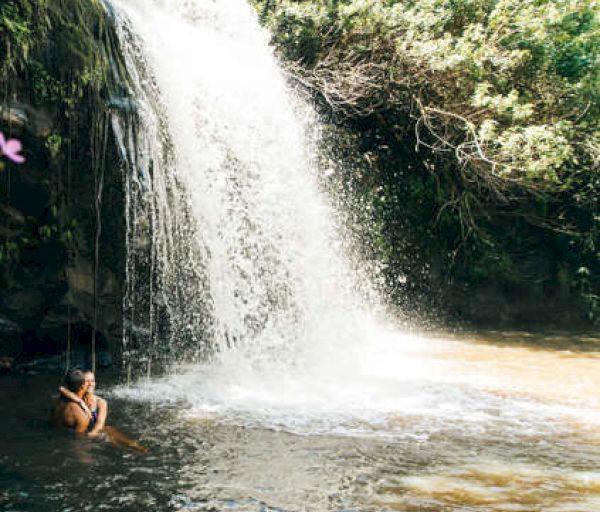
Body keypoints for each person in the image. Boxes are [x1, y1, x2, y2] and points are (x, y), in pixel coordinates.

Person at [58, 369, 108, 437]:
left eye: (93, 381)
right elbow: (61, 389)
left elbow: (100, 425)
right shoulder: (76, 397)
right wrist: (80, 401)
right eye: (87, 381)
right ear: (81, 384)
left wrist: (90, 436)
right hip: (82, 434)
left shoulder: (100, 402)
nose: (90, 384)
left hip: (97, 434)